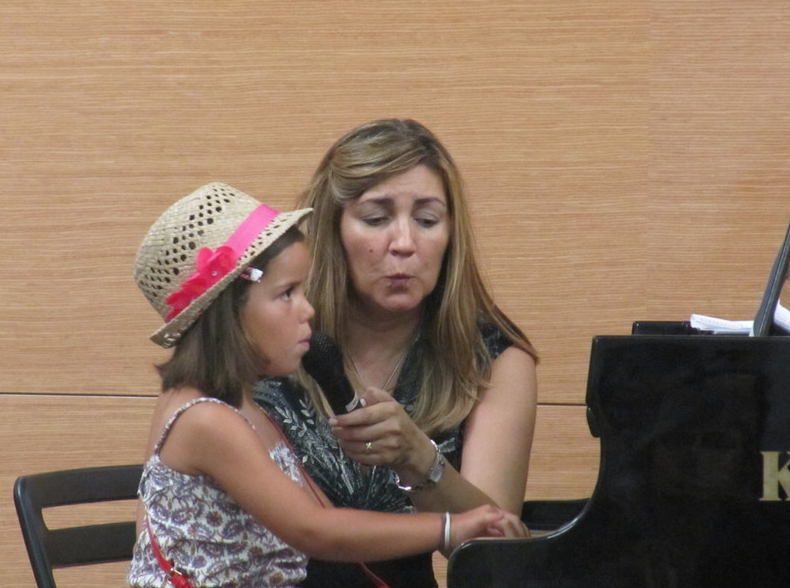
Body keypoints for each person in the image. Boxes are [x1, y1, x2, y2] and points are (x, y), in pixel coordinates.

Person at [127, 182, 528, 588]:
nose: (308, 310)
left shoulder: (244, 407)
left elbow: (322, 513)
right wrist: (448, 528)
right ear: (229, 314)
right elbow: (314, 529)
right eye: (287, 294)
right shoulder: (205, 420)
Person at [255, 119, 539, 588]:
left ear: (451, 235)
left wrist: (419, 459)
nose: (404, 244)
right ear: (332, 229)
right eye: (375, 218)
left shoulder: (493, 357)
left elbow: (494, 554)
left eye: (427, 221)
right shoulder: (272, 331)